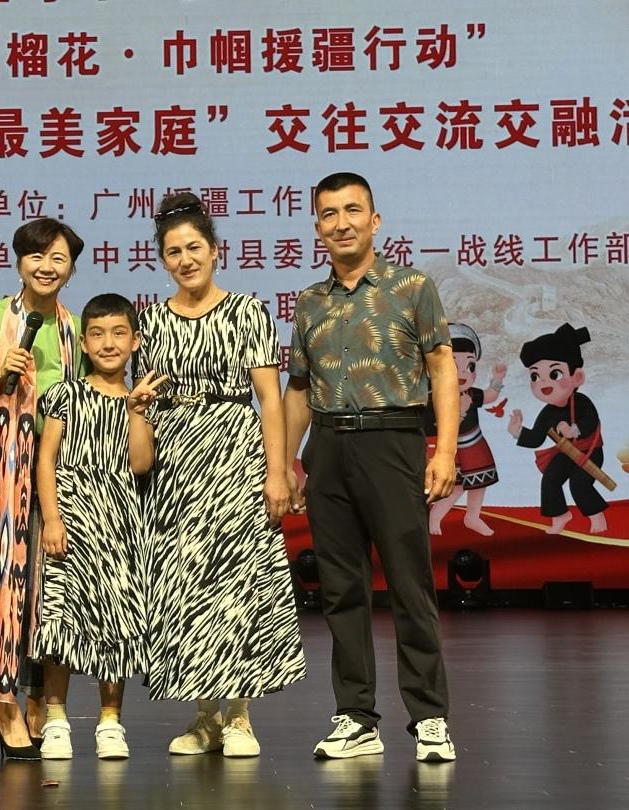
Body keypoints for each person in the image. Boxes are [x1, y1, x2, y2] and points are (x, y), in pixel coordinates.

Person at [282, 171, 458, 763]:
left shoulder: (412, 287)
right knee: (341, 589)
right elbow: (299, 389)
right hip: (328, 447)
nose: (342, 223)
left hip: (393, 442)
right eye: (329, 214)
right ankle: (356, 717)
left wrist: (446, 451)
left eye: (353, 210)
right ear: (317, 227)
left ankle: (430, 717)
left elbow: (442, 370)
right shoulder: (310, 301)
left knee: (410, 583)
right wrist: (284, 462)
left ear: (375, 220)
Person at [136, 192, 306, 758]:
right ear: (162, 260)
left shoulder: (247, 311)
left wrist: (278, 472)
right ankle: (204, 717)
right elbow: (146, 401)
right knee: (185, 588)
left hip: (233, 451)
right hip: (175, 462)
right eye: (173, 252)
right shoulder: (152, 320)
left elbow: (270, 399)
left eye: (194, 248)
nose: (185, 260)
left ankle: (239, 716)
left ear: (215, 250)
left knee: (236, 583)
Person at [0, 217, 85, 761]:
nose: (46, 267)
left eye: (58, 258)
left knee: (45, 592)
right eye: (36, 256)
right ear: (19, 262)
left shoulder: (75, 329)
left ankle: (34, 699)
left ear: (70, 268)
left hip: (54, 466)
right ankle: (4, 708)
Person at [33, 293, 165, 761]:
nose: (108, 344)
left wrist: (136, 412)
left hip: (120, 524)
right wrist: (52, 518)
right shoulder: (64, 395)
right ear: (83, 343)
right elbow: (46, 460)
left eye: (118, 333)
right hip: (70, 520)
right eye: (97, 334)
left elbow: (141, 464)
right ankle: (56, 719)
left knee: (117, 620)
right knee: (60, 621)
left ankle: (110, 722)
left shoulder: (140, 400)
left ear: (135, 341)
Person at [508, 323, 607, 535]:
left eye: (554, 374)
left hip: (589, 452)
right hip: (566, 453)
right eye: (535, 377)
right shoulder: (548, 412)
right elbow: (536, 438)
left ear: (577, 377)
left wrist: (574, 430)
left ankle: (596, 516)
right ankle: (560, 515)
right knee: (550, 480)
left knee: (579, 484)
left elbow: (591, 421)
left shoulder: (581, 401)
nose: (544, 383)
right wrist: (518, 431)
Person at [425, 323, 506, 537]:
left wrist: (497, 380)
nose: (462, 372)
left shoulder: (470, 393)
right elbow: (435, 427)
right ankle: (435, 516)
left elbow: (489, 396)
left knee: (480, 482)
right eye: (453, 365)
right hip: (449, 451)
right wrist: (459, 412)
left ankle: (473, 516)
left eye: (470, 366)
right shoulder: (433, 397)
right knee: (457, 486)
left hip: (475, 444)